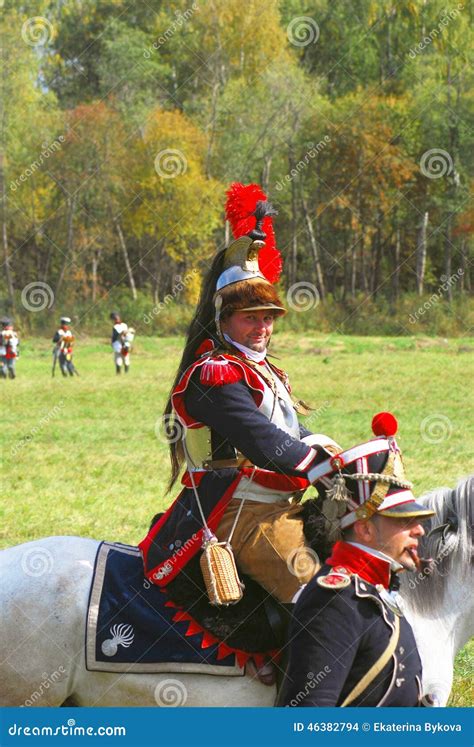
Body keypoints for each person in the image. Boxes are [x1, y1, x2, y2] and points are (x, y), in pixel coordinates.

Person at [139, 183, 338, 605]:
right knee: (318, 595)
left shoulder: (265, 371)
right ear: (224, 320)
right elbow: (265, 443)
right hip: (237, 513)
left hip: (280, 504)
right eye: (251, 317)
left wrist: (340, 459)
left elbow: (292, 431)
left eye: (268, 318)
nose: (262, 327)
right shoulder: (213, 375)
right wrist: (321, 464)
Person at [276, 411, 436, 707]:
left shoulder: (376, 592)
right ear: (364, 528)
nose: (418, 530)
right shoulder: (335, 599)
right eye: (402, 521)